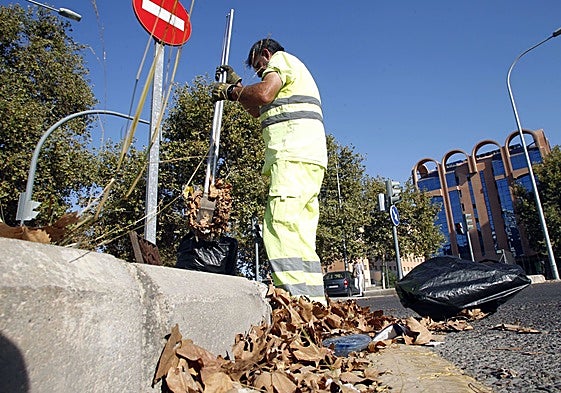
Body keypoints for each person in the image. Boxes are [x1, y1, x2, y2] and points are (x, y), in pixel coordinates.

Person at [211, 38, 328, 305]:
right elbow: (255, 108)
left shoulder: (281, 61)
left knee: (279, 224)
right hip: (310, 160)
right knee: (300, 233)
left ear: (266, 54)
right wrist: (239, 88)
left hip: (291, 155)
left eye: (259, 66)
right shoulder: (296, 72)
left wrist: (229, 92)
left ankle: (294, 302)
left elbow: (264, 93)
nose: (261, 72)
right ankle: (314, 303)